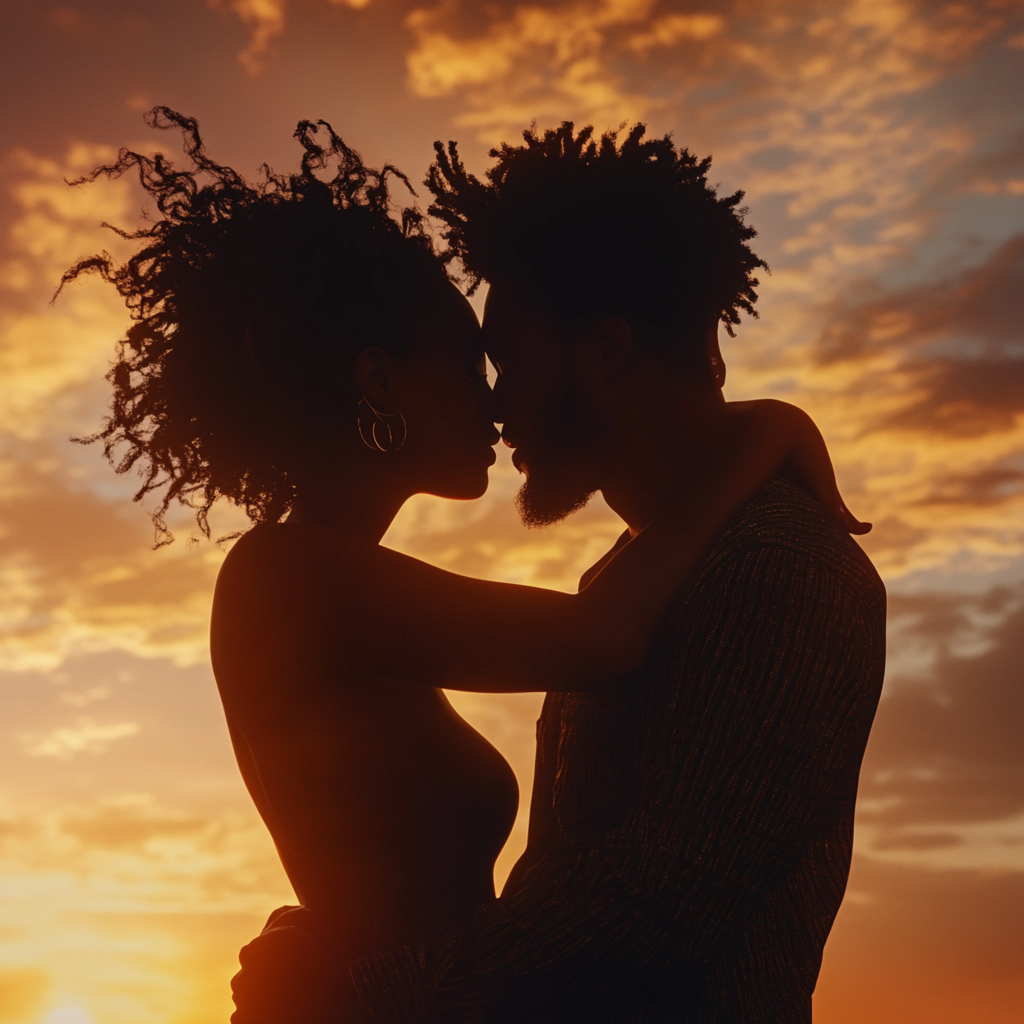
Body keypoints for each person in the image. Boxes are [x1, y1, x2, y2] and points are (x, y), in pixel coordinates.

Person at [63, 111, 874, 1024]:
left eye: (502, 359)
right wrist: (768, 433)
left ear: (604, 352)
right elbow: (602, 651)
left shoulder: (755, 568)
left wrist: (342, 969)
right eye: (468, 362)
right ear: (379, 381)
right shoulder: (297, 575)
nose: (493, 397)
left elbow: (655, 906)